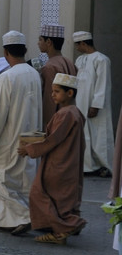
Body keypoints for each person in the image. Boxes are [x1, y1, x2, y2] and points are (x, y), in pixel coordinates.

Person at [19, 72, 88, 245]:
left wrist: (29, 149)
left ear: (70, 93)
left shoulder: (66, 114)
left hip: (58, 163)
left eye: (57, 91)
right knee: (61, 199)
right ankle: (63, 228)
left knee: (38, 193)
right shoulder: (75, 112)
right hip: (69, 161)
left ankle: (65, 228)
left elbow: (53, 140)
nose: (52, 95)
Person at [0, 31, 42, 232]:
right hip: (29, 137)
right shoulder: (34, 74)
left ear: (5, 52)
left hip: (8, 139)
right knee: (20, 182)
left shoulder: (6, 77)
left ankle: (25, 215)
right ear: (24, 51)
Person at [73, 32, 113, 177]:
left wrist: (96, 105)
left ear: (83, 43)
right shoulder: (80, 60)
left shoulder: (101, 60)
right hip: (81, 104)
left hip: (96, 106)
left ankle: (104, 166)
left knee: (99, 137)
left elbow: (103, 84)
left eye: (77, 45)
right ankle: (88, 167)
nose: (77, 48)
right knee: (85, 135)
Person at [37, 24, 77, 128]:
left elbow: (50, 100)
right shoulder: (69, 62)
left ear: (49, 42)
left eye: (40, 39)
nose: (38, 43)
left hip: (57, 121)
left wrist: (48, 125)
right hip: (71, 115)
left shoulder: (50, 67)